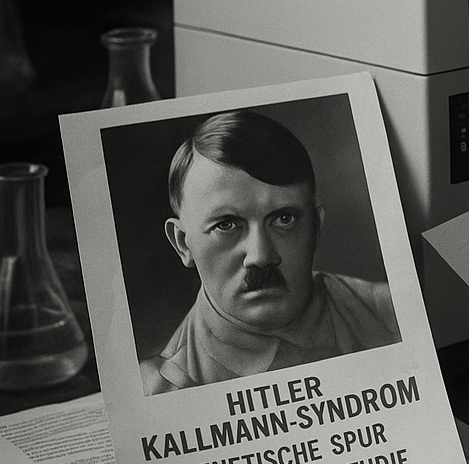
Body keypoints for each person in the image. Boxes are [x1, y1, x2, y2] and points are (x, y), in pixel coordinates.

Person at [141, 110, 399, 394]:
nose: (261, 256)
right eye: (226, 225)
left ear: (316, 224)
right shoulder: (164, 391)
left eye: (284, 219)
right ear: (182, 243)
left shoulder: (393, 314)